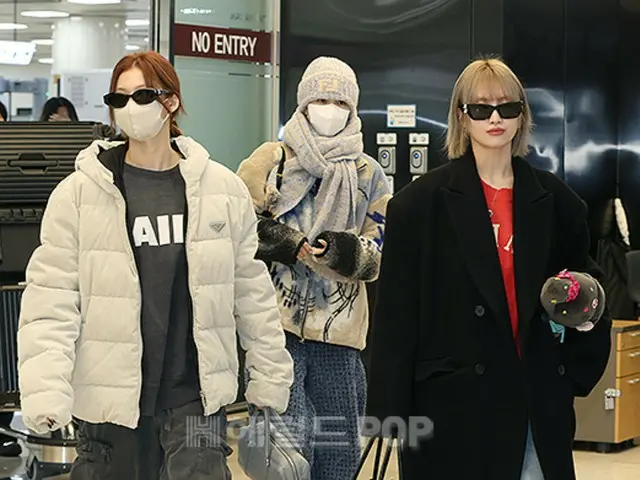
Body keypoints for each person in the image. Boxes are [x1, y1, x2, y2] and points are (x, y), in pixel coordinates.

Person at [17, 50, 293, 480]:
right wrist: (45, 392)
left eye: (143, 95)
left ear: (171, 101)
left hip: (195, 398)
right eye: (119, 97)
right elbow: (50, 303)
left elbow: (251, 292)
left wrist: (270, 376)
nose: (131, 108)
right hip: (111, 402)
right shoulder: (79, 195)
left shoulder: (221, 189)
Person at [366, 57, 612, 480]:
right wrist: (389, 414)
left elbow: (586, 292)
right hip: (449, 404)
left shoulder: (558, 203)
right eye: (481, 108)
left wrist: (570, 369)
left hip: (533, 398)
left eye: (507, 107)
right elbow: (396, 315)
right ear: (462, 116)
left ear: (522, 115)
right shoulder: (418, 206)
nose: (494, 118)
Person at [237, 56, 392, 479]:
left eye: (339, 100)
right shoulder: (272, 160)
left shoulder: (369, 174)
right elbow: (235, 227)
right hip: (274, 326)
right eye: (320, 98)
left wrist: (345, 252)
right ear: (303, 103)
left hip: (339, 333)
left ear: (353, 108)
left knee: (339, 450)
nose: (329, 108)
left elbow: (381, 251)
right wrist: (282, 241)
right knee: (285, 450)